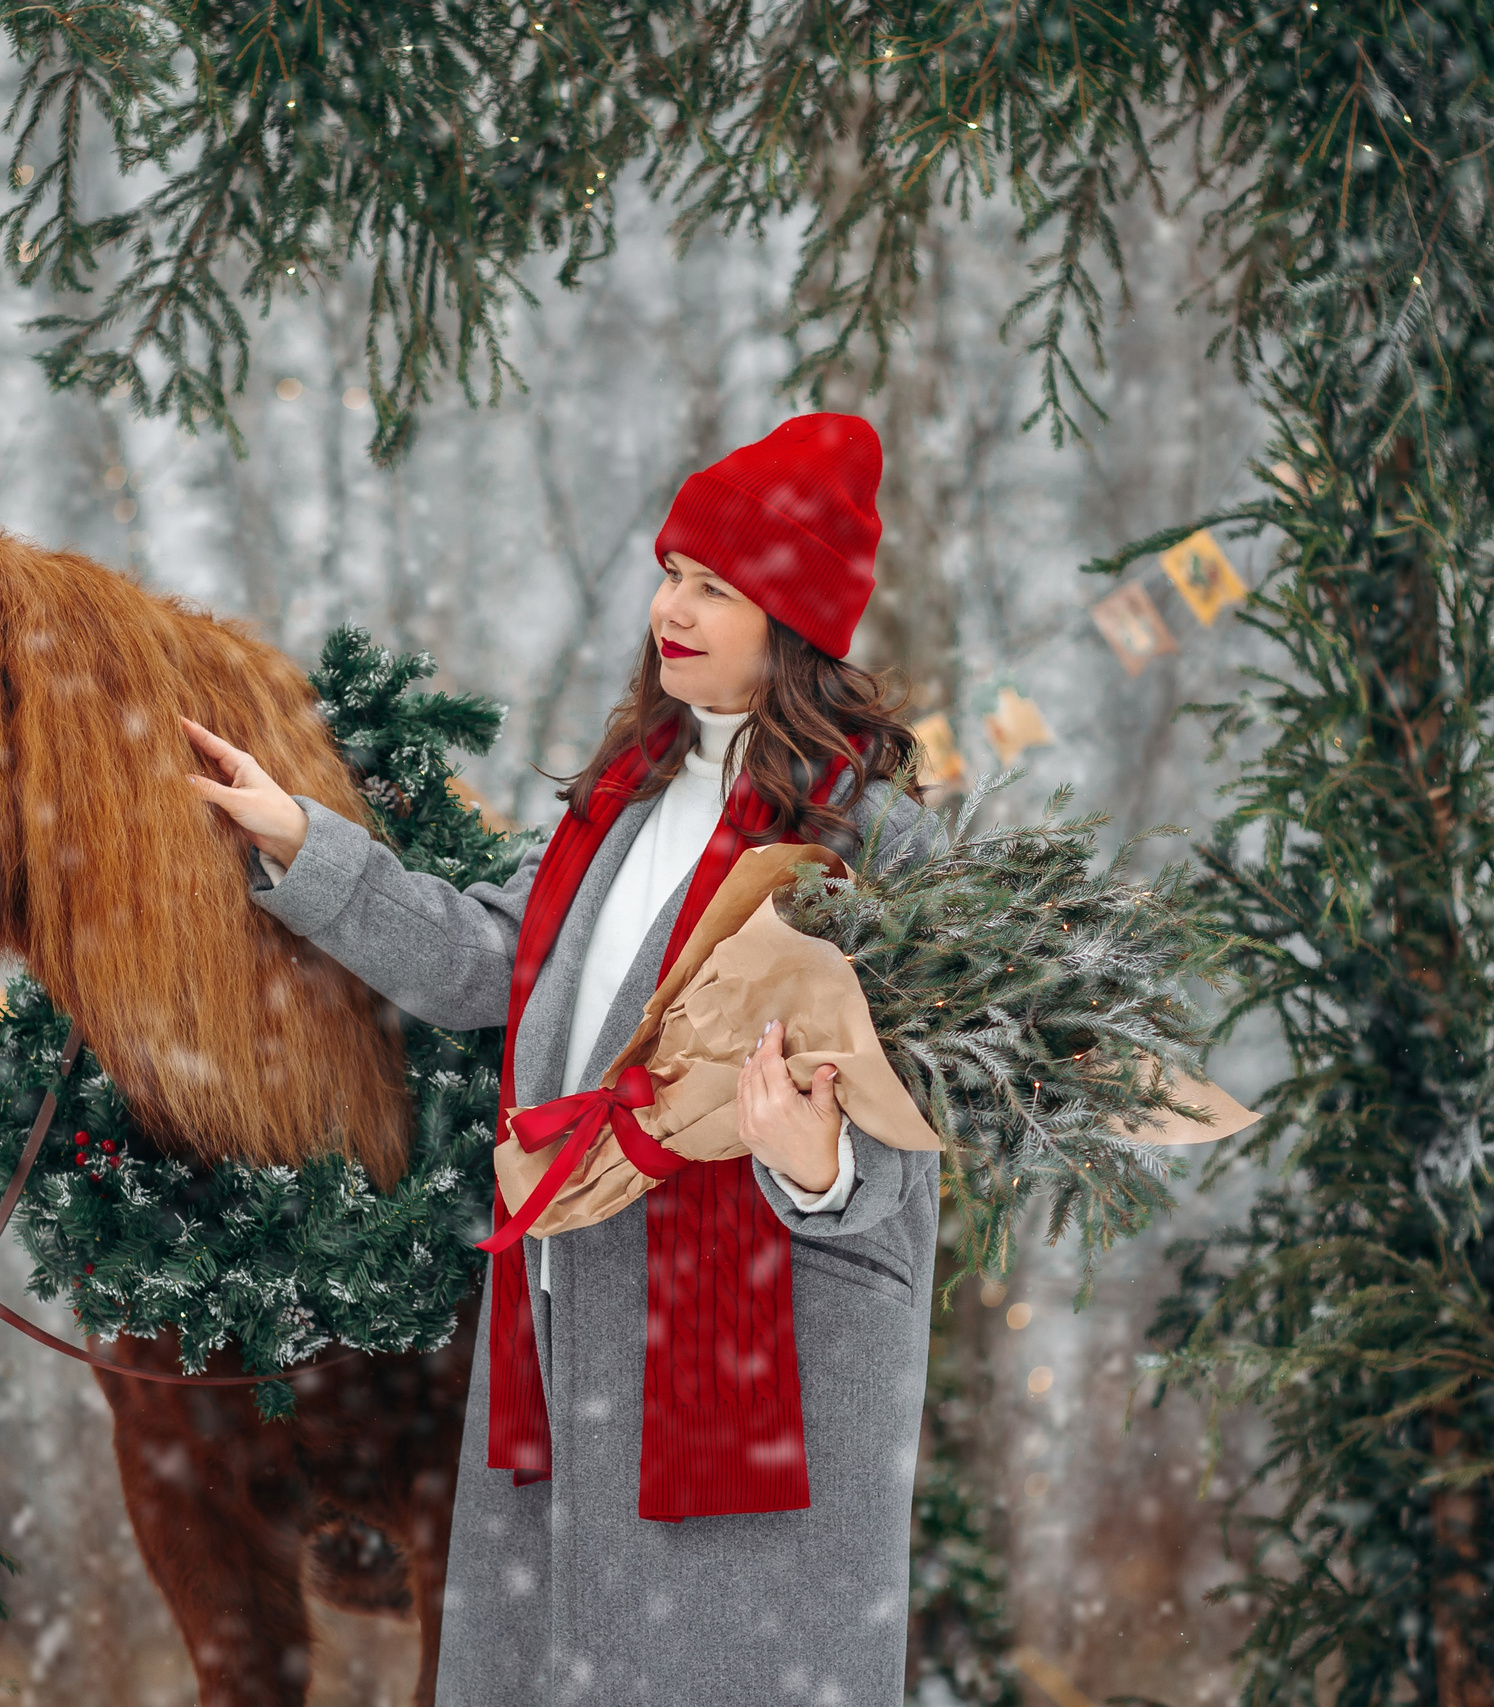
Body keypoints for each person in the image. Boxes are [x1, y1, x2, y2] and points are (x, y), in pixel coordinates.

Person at [184, 414, 940, 1706]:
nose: (672, 609)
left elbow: (922, 1117)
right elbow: (488, 959)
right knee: (565, 1662)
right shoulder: (622, 802)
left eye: (716, 587)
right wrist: (299, 843)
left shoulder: (875, 842)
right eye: (672, 573)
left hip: (769, 1349)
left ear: (795, 623)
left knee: (718, 1670)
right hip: (573, 1309)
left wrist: (821, 1164)